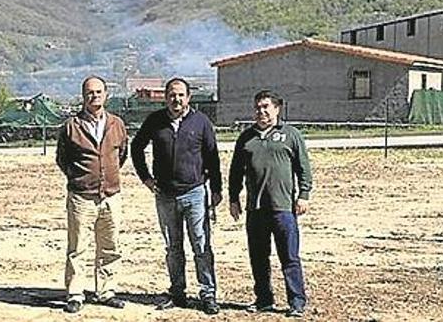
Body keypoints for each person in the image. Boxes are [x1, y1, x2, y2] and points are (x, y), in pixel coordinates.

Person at [131, 77, 222, 315]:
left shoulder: (201, 122)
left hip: (194, 193)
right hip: (165, 195)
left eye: (181, 95)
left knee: (201, 246)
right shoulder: (155, 121)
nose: (176, 99)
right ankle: (177, 292)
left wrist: (216, 189)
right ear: (165, 97)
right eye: (172, 95)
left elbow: (213, 157)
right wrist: (146, 178)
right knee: (173, 247)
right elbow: (136, 147)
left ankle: (208, 294)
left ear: (188, 97)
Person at [228, 90, 312, 318]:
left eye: (266, 107)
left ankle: (296, 301)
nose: (261, 111)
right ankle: (264, 299)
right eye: (258, 107)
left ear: (277, 109)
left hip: (283, 208)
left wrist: (303, 195)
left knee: (289, 257)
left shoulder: (291, 135)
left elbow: (303, 168)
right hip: (255, 209)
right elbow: (235, 171)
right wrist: (233, 198)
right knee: (258, 257)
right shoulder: (246, 138)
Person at [55, 75, 128, 314]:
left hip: (110, 197)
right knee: (78, 248)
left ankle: (106, 291)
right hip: (81, 197)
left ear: (106, 94)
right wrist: (79, 178)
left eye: (98, 92)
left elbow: (122, 155)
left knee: (110, 246)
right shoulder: (71, 127)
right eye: (89, 92)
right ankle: (76, 293)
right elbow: (62, 159)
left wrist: (107, 177)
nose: (94, 96)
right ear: (83, 96)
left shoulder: (117, 124)